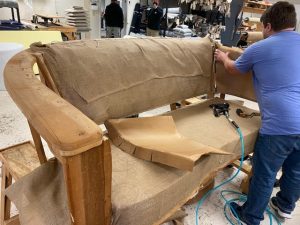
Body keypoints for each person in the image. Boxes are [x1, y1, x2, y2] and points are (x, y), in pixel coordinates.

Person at [215, 2, 300, 225]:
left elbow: (234, 69)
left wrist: (224, 58)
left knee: (265, 173)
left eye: (263, 28)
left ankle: (250, 216)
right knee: (295, 171)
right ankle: (284, 208)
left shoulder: (261, 48)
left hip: (280, 126)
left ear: (269, 26)